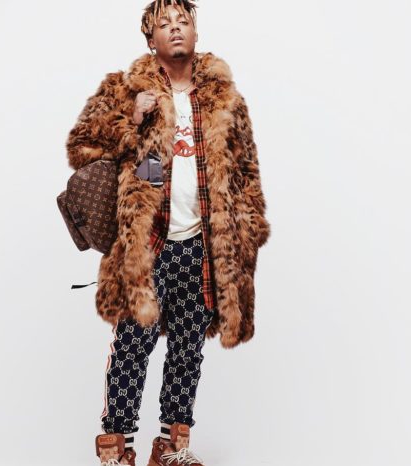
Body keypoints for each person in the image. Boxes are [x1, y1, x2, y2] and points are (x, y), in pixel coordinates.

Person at [65, 1, 271, 464]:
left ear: (195, 32)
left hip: (202, 246)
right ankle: (117, 448)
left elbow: (247, 173)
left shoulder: (225, 100)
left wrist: (246, 235)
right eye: (164, 23)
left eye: (183, 22)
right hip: (148, 244)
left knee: (187, 349)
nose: (175, 29)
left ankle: (172, 448)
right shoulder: (124, 89)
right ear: (150, 37)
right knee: (132, 346)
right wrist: (131, 119)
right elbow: (81, 146)